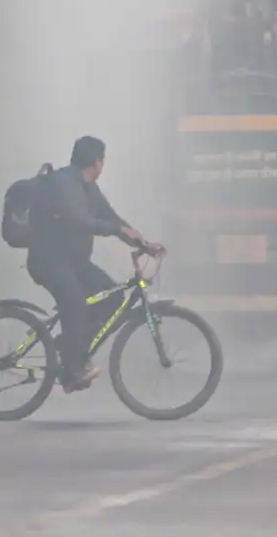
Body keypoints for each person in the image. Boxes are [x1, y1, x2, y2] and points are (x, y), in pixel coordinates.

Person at [27, 135, 163, 393]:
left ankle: (71, 347)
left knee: (114, 300)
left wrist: (144, 244)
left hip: (74, 262)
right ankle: (72, 370)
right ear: (97, 161)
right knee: (75, 303)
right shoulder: (64, 183)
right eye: (103, 159)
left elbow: (112, 219)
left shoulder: (90, 189)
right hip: (49, 261)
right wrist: (115, 230)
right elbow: (79, 220)